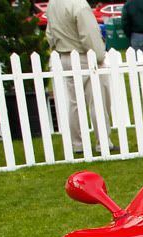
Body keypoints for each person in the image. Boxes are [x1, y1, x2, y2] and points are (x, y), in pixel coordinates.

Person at [45, 0, 113, 154]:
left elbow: (50, 33)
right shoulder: (79, 4)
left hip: (65, 55)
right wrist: (99, 56)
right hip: (84, 56)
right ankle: (103, 143)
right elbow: (89, 34)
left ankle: (78, 144)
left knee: (74, 103)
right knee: (97, 101)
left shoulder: (53, 4)